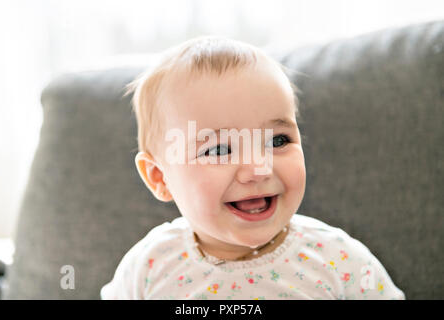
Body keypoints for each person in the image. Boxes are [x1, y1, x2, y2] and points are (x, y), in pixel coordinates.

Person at [100, 36, 405, 300]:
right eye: (219, 150)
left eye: (278, 140)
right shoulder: (149, 266)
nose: (258, 169)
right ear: (159, 177)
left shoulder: (339, 259)